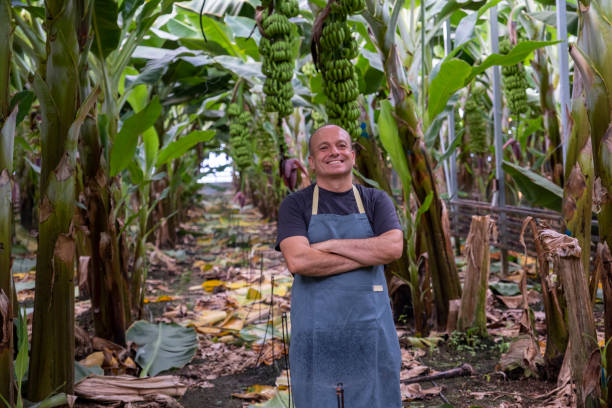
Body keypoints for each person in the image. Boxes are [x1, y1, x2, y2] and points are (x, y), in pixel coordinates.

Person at [276, 124, 403, 408]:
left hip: (371, 330)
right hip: (316, 331)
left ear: (353, 155)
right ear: (311, 161)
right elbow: (299, 260)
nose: (334, 152)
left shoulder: (375, 199)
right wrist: (368, 251)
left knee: (377, 397)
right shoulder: (295, 205)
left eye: (342, 145)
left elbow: (393, 248)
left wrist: (328, 245)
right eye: (324, 147)